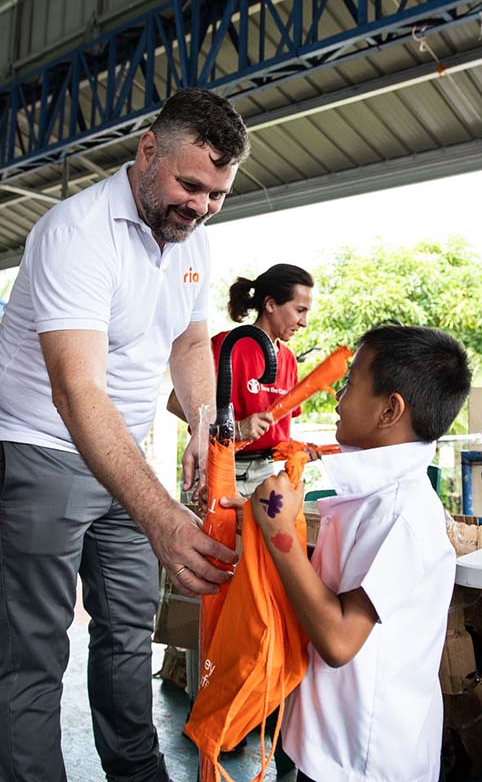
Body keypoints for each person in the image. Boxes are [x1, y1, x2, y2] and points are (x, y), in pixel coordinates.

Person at [0, 88, 249, 782]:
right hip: (41, 448)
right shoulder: (75, 233)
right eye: (189, 184)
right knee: (32, 651)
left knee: (127, 638)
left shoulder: (190, 239)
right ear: (147, 152)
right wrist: (162, 517)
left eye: (217, 194)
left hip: (125, 456)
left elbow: (192, 344)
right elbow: (75, 389)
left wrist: (202, 425)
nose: (200, 205)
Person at [248, 324, 472, 782]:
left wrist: (278, 536)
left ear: (390, 409)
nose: (336, 396)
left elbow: (339, 640)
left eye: (349, 383)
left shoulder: (403, 514)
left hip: (365, 759)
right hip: (327, 737)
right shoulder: (373, 493)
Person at [167, 263, 314, 496]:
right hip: (220, 467)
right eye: (300, 310)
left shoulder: (288, 360)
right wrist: (232, 429)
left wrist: (297, 448)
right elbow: (175, 401)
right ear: (270, 305)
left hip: (265, 473)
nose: (304, 322)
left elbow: (276, 433)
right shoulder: (227, 345)